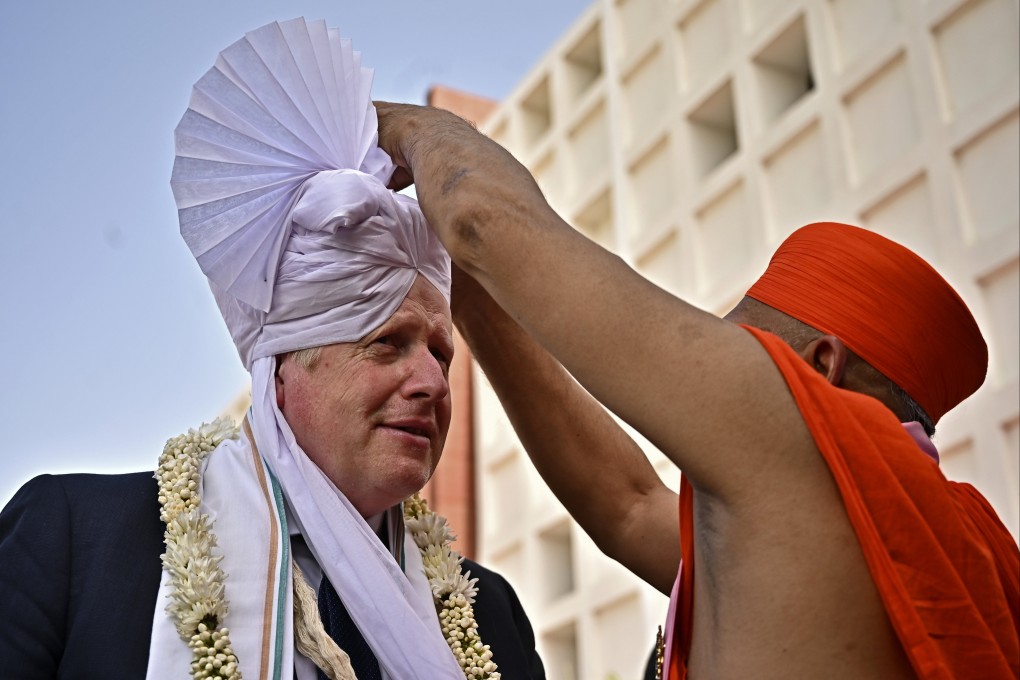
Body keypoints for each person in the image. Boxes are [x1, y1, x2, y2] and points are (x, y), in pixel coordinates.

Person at [372, 102, 1020, 680]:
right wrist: (476, 300)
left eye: (739, 344)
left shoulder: (806, 453)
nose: (706, 359)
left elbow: (482, 220)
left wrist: (413, 126)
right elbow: (626, 503)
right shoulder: (865, 527)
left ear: (822, 365)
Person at [0, 21, 543, 680]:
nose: (431, 380)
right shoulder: (79, 539)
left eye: (441, 352)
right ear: (282, 369)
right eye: (387, 344)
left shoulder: (491, 616)